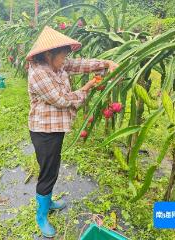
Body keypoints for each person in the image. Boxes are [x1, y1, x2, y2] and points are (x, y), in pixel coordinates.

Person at [26, 26, 118, 238]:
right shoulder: (39, 73)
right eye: (63, 54)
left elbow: (79, 64)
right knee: (48, 172)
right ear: (49, 54)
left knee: (52, 166)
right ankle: (41, 215)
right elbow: (61, 100)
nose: (66, 59)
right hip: (44, 131)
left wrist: (105, 64)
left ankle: (48, 202)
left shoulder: (56, 64)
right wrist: (85, 89)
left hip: (55, 128)